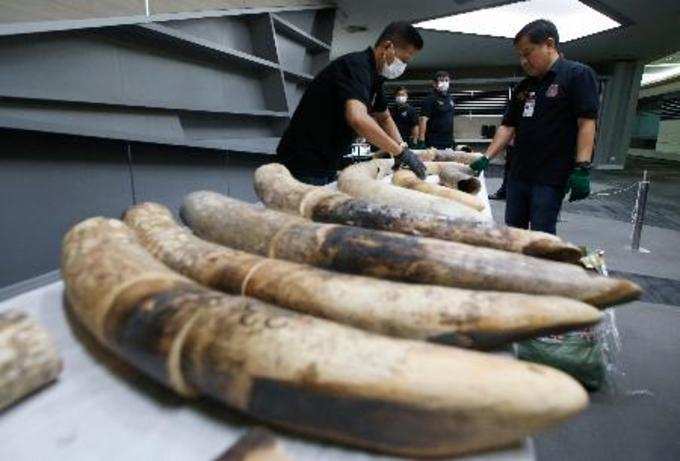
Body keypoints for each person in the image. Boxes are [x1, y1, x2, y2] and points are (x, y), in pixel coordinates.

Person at [470, 19, 598, 234]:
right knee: (513, 231)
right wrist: (486, 157)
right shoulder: (525, 86)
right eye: (520, 55)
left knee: (542, 233)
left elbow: (586, 122)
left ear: (549, 44)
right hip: (519, 172)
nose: (523, 61)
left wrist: (582, 167)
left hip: (550, 175)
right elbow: (508, 126)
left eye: (527, 53)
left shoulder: (576, 75)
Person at [276, 22, 427, 185]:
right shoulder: (356, 66)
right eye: (403, 60)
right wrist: (398, 152)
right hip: (303, 163)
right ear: (387, 46)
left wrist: (404, 148)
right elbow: (357, 118)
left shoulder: (374, 78)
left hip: (327, 162)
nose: (403, 66)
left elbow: (384, 118)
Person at [418, 70, 455, 149]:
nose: (445, 83)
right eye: (441, 80)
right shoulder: (430, 99)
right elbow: (423, 120)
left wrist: (453, 139)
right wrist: (421, 140)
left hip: (448, 142)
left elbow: (449, 120)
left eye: (446, 80)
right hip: (433, 142)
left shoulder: (450, 99)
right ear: (434, 84)